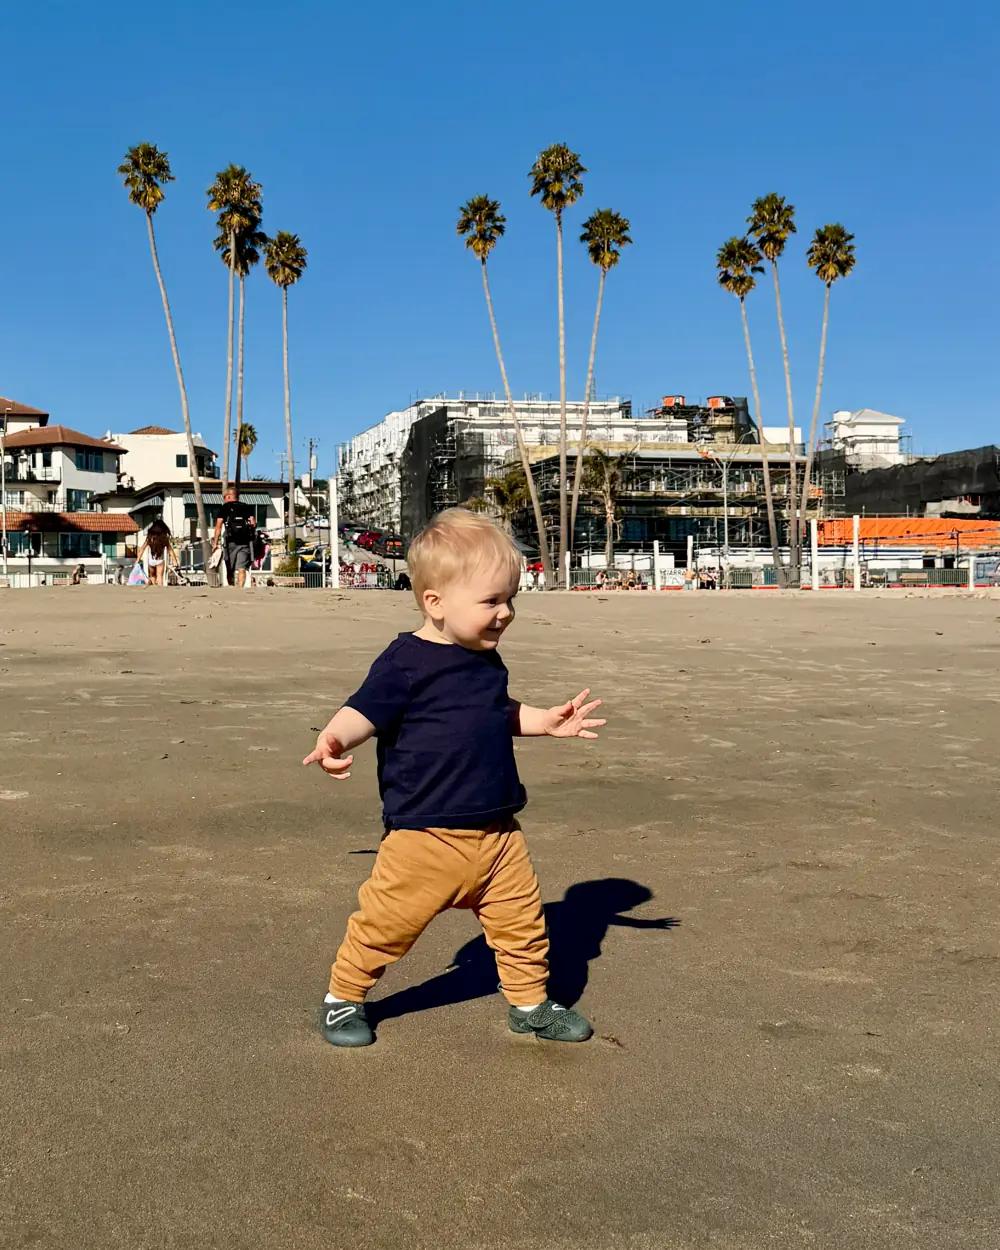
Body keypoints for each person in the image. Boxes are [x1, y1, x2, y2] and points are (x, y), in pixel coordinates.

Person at [303, 508, 607, 1048]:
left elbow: (497, 712)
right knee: (385, 927)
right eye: (491, 601)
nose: (506, 614)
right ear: (434, 602)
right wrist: (333, 739)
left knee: (523, 927)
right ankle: (342, 998)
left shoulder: (487, 662)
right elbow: (364, 711)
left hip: (498, 833)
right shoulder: (405, 663)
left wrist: (543, 722)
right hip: (424, 836)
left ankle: (530, 1004)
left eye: (511, 599)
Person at [212, 486, 256, 587]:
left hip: (230, 541)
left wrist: (215, 543)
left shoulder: (225, 507)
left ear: (228, 496)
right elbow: (253, 523)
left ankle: (232, 587)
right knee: (242, 568)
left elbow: (218, 526)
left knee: (229, 567)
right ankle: (240, 588)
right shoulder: (247, 507)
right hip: (245, 541)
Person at [136, 519, 176, 586]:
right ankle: (159, 590)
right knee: (160, 576)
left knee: (152, 576)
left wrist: (137, 559)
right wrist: (174, 561)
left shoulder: (150, 538)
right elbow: (170, 550)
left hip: (151, 561)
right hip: (160, 560)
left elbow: (142, 548)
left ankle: (153, 588)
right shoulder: (164, 538)